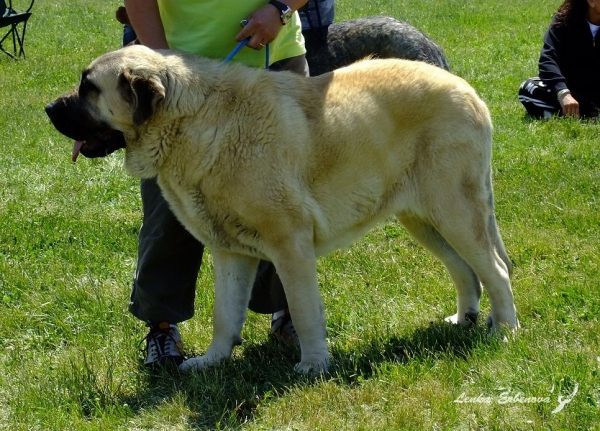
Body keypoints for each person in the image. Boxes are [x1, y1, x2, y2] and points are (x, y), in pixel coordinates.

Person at [123, 0, 309, 369]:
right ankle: (162, 325)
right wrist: (162, 60)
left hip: (273, 58)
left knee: (277, 202)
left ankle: (288, 311)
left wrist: (281, 8)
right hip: (179, 78)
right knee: (169, 211)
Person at [519, 0, 600, 119]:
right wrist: (563, 92)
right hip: (572, 90)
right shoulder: (565, 20)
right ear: (591, 1)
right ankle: (585, 112)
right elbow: (548, 59)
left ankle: (566, 114)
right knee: (529, 87)